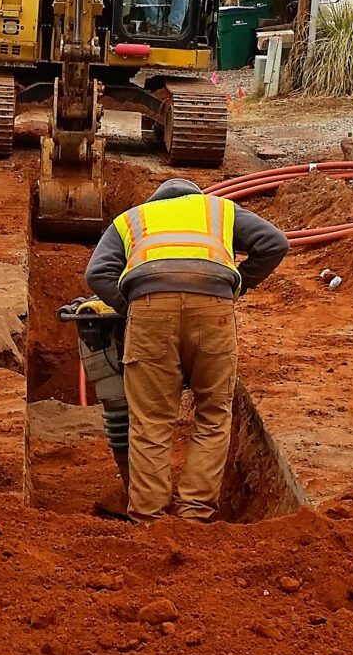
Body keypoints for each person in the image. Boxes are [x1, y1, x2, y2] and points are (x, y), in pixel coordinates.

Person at [85, 178, 288, 524]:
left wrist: (130, 306)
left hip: (150, 311)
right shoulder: (220, 210)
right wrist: (238, 284)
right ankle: (195, 513)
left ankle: (149, 517)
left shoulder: (133, 218)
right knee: (212, 413)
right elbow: (275, 243)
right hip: (213, 309)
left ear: (156, 202)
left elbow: (97, 272)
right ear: (196, 198)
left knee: (150, 419)